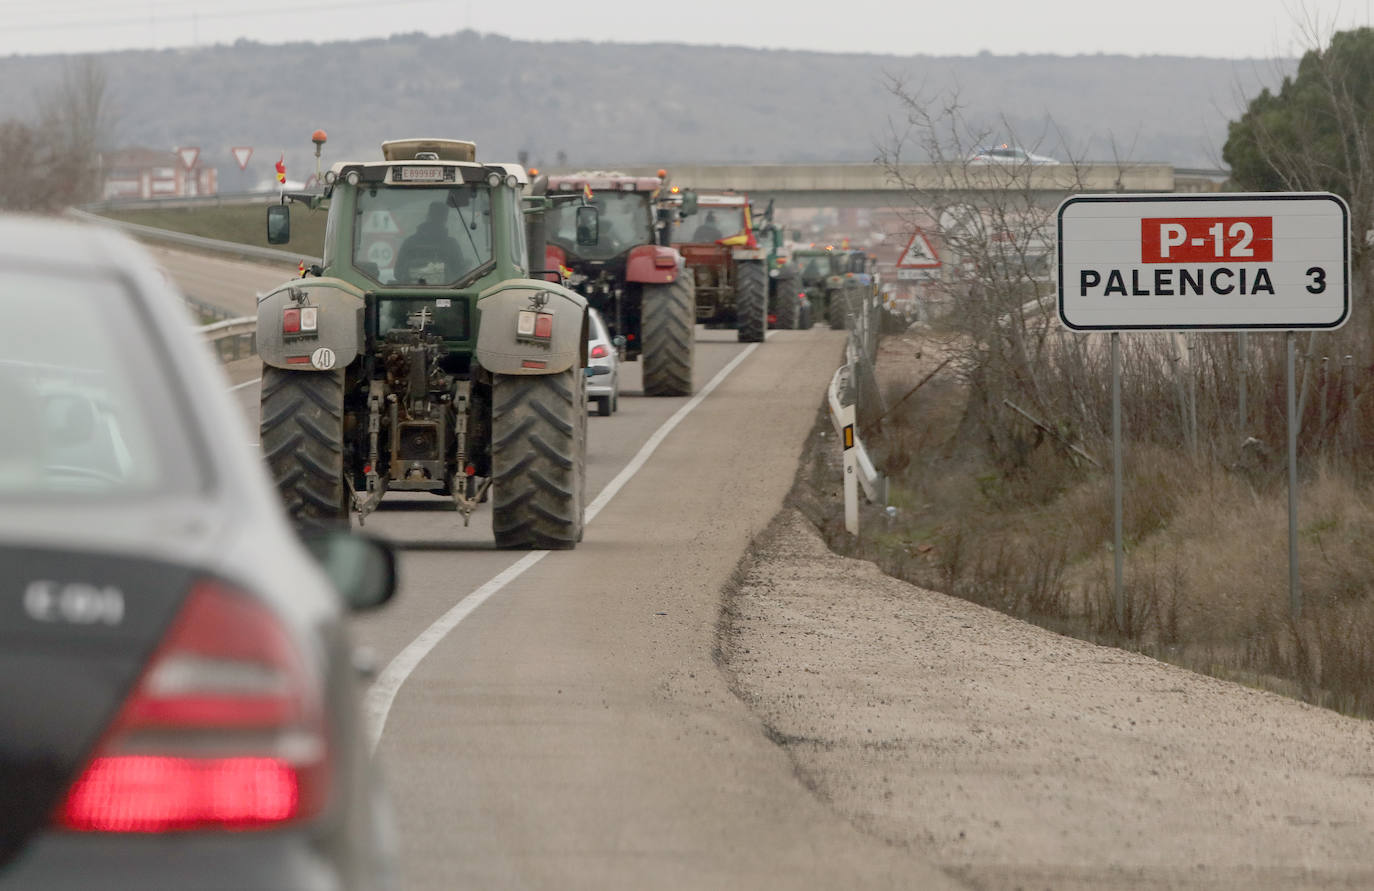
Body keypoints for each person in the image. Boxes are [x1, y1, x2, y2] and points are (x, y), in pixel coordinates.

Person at [394, 201, 466, 284]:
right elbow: (460, 273)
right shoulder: (452, 244)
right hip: (447, 294)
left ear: (428, 216)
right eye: (439, 216)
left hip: (411, 293)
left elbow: (398, 272)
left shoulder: (410, 242)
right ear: (445, 219)